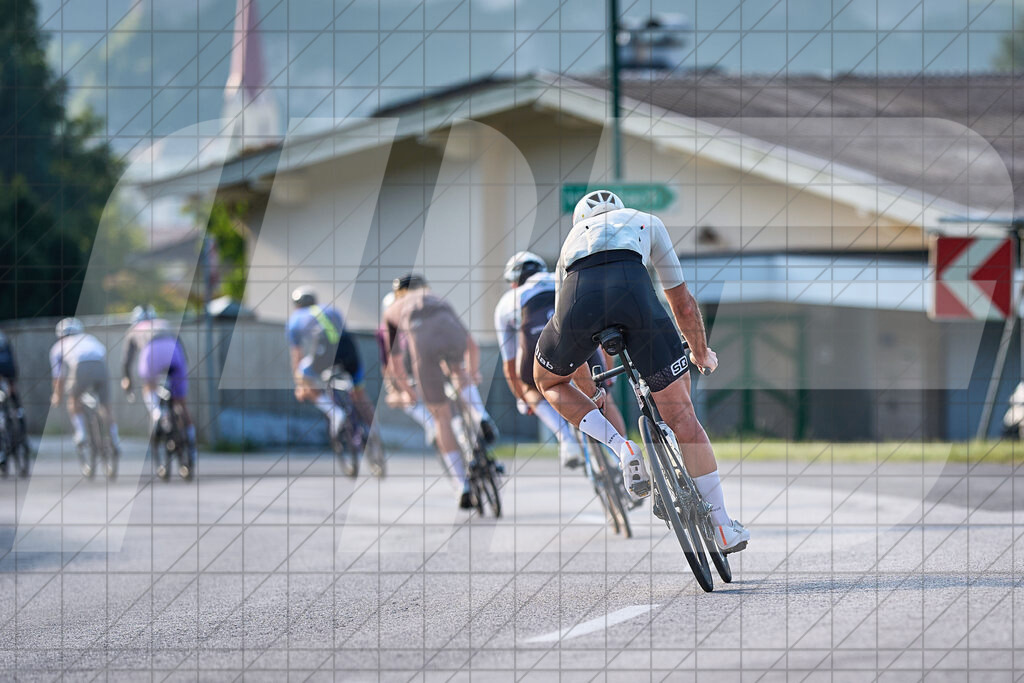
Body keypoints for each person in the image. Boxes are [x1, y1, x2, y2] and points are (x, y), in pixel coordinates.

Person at [533, 190, 749, 553]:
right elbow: (681, 302)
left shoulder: (571, 240)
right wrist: (700, 353)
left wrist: (593, 396)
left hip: (577, 298)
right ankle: (723, 526)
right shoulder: (645, 221)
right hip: (633, 295)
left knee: (548, 379)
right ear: (620, 211)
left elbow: (578, 353)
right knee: (683, 419)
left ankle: (621, 447)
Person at [495, 251, 627, 469]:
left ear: (513, 283)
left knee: (532, 386)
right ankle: (623, 456)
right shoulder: (560, 279)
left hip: (538, 345)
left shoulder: (507, 302)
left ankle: (566, 440)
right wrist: (606, 380)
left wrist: (523, 398)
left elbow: (509, 364)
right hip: (578, 335)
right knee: (604, 393)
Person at [383, 273, 497, 508]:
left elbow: (394, 362)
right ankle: (481, 417)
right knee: (459, 371)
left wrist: (407, 391)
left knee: (441, 419)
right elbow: (471, 344)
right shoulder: (437, 298)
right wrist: (473, 372)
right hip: (450, 334)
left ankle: (462, 485)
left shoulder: (393, 309)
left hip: (423, 347)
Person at [287, 287, 375, 440]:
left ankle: (334, 412)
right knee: (359, 392)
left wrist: (300, 385)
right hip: (349, 347)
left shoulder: (294, 319)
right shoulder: (332, 310)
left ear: (297, 305)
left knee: (302, 375)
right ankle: (375, 432)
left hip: (325, 351)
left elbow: (297, 355)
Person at [120, 305, 195, 478]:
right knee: (181, 403)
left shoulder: (134, 329)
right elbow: (182, 349)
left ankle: (157, 414)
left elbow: (126, 362)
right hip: (175, 354)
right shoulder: (164, 323)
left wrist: (127, 381)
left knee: (149, 385)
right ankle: (191, 441)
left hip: (151, 353)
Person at [49, 317, 121, 476]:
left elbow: (59, 377)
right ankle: (115, 438)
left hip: (80, 366)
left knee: (73, 399)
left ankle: (81, 434)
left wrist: (57, 396)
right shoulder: (89, 338)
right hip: (101, 366)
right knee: (105, 406)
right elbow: (101, 354)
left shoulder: (57, 347)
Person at [377, 291, 436, 446]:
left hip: (408, 366)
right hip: (420, 364)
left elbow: (388, 362)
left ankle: (431, 424)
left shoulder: (386, 328)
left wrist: (394, 387)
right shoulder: (412, 320)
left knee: (401, 399)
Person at [0, 330, 28, 473]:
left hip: (6, 370)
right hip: (9, 372)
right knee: (14, 400)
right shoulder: (3, 336)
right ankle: (19, 417)